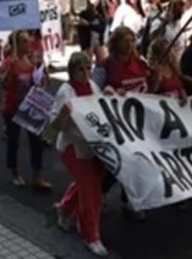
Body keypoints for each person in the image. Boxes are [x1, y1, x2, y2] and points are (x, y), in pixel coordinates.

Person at [50, 52, 109, 257]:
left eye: (88, 68)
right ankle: (90, 235)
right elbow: (55, 126)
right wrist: (64, 113)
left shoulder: (93, 87)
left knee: (88, 184)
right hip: (73, 147)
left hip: (92, 146)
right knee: (90, 192)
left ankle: (65, 208)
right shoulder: (66, 92)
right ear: (71, 71)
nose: (85, 73)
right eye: (80, 69)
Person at [0, 31, 51, 190]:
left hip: (30, 107)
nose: (28, 45)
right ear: (16, 44)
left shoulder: (31, 60)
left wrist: (43, 70)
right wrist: (11, 69)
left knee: (36, 141)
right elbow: (4, 85)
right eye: (23, 42)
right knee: (13, 141)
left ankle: (37, 177)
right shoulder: (9, 62)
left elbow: (42, 81)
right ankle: (14, 172)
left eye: (28, 41)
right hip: (12, 108)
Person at [147, 37, 188, 103]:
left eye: (171, 51)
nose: (170, 55)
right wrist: (157, 76)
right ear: (157, 55)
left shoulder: (173, 67)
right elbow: (151, 91)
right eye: (165, 52)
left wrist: (183, 93)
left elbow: (179, 86)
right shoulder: (152, 69)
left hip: (176, 105)